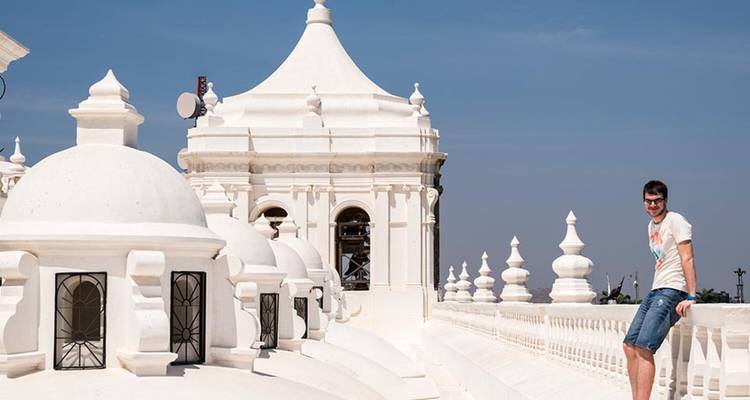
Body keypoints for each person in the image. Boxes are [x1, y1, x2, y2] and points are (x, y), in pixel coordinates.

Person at [623, 180, 697, 400]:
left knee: (645, 347)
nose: (652, 205)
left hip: (673, 290)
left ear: (665, 200)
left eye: (657, 201)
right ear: (644, 202)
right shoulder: (651, 226)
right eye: (648, 201)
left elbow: (688, 257)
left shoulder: (676, 221)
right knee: (629, 345)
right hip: (657, 289)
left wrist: (691, 295)